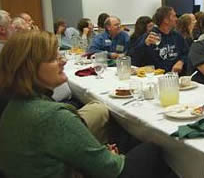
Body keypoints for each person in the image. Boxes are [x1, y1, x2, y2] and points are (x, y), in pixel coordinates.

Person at [0, 30, 177, 178]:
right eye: (53, 58)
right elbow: (110, 168)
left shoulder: (14, 105)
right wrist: (110, 157)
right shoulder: (52, 116)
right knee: (156, 148)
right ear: (29, 68)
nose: (63, 61)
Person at [132, 6, 188, 74]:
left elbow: (186, 53)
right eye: (174, 16)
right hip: (155, 76)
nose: (177, 19)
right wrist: (145, 44)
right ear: (166, 20)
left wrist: (181, 61)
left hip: (175, 76)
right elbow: (134, 59)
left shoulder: (177, 36)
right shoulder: (149, 37)